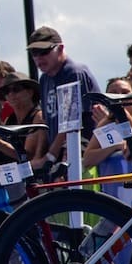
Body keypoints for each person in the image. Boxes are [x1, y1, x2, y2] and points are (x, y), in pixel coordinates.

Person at [27, 26, 101, 164]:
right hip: (58, 154)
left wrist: (50, 157)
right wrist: (41, 157)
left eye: (44, 51)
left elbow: (71, 124)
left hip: (81, 152)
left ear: (60, 48)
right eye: (34, 53)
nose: (38, 58)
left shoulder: (73, 73)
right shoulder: (44, 79)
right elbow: (46, 122)